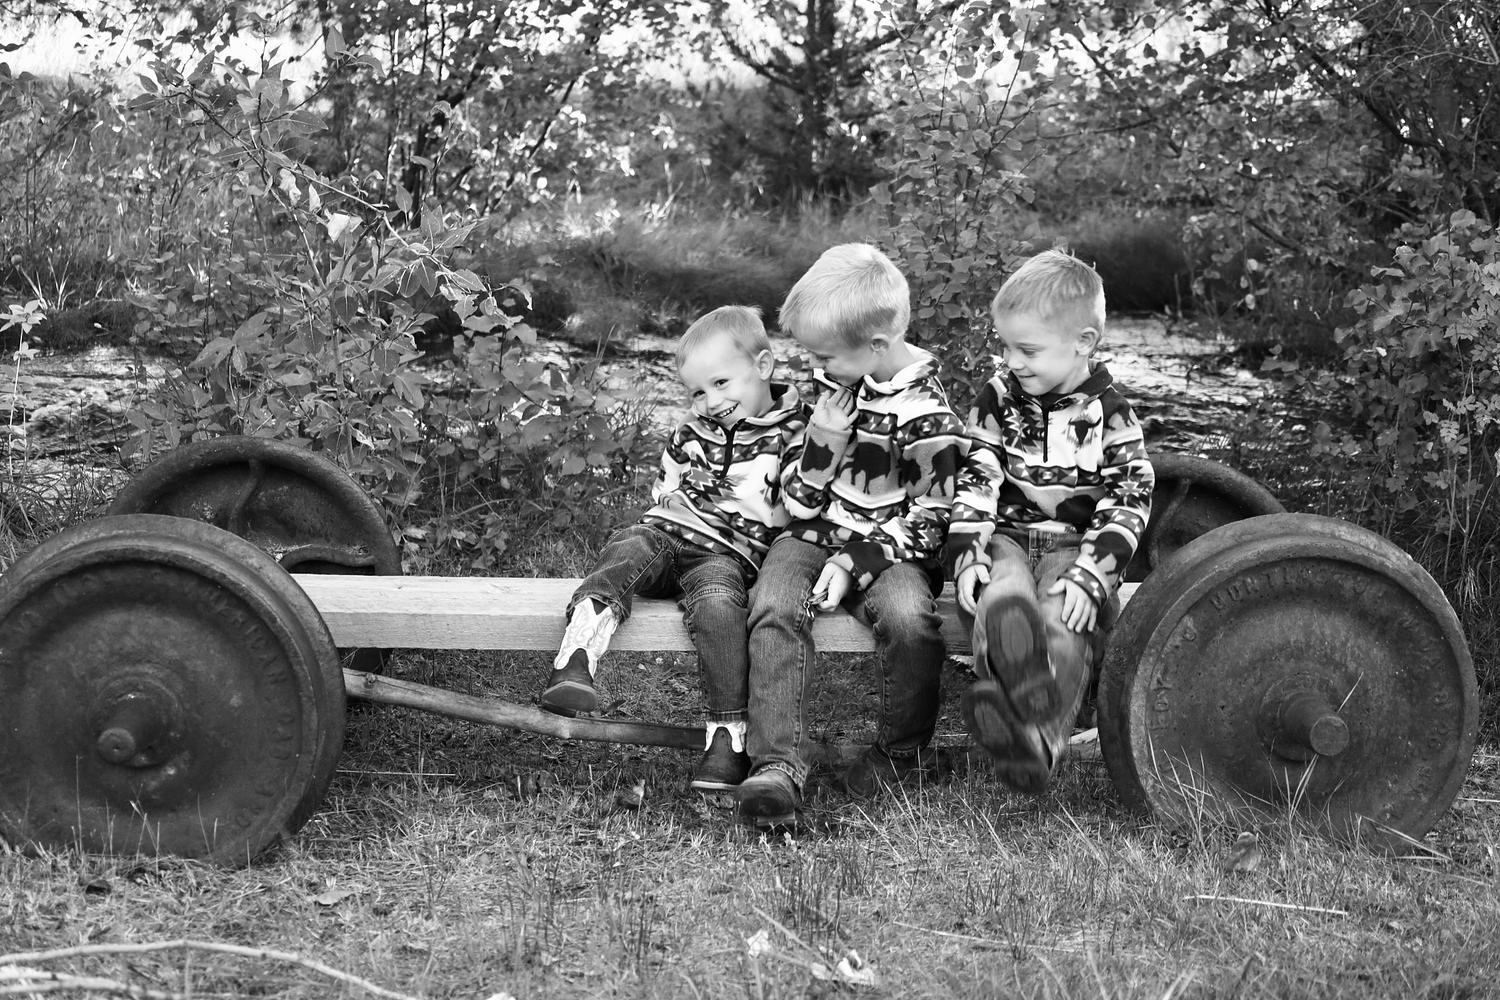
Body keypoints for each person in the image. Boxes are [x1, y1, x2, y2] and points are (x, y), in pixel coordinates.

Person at [735, 243, 968, 828]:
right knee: (773, 604)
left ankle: (901, 753)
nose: (815, 366)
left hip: (892, 550)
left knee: (910, 621)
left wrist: (853, 563)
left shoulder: (929, 419)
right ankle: (776, 765)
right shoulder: (837, 385)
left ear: (877, 345)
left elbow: (932, 520)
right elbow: (797, 502)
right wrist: (825, 439)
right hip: (812, 534)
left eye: (824, 356)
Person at [540, 305, 807, 793]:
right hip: (669, 532)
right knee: (629, 545)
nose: (710, 401)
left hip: (727, 555)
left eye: (721, 383)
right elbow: (666, 485)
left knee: (720, 609)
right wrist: (671, 504)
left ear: (764, 366)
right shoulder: (691, 428)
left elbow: (799, 503)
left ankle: (726, 738)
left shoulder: (796, 432)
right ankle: (577, 656)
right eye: (698, 391)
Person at [945, 249, 1154, 795]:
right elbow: (978, 474)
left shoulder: (1111, 413)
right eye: (1006, 346)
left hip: (1076, 548)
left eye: (1028, 350)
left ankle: (1037, 741)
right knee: (1001, 598)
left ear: (1083, 342)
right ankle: (1015, 691)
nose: (1012, 360)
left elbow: (1130, 497)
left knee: (1065, 617)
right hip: (1008, 539)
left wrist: (1094, 573)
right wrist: (968, 554)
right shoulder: (997, 398)